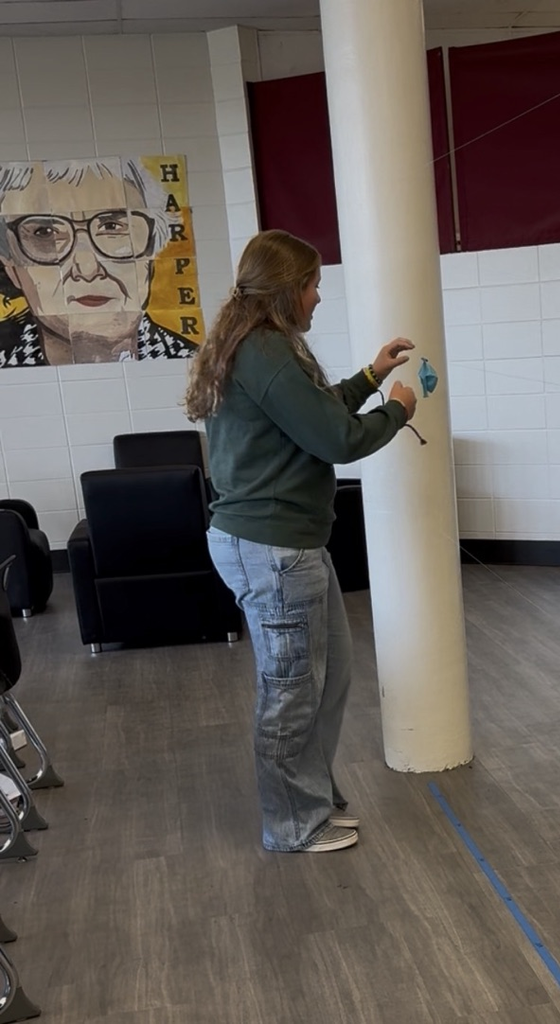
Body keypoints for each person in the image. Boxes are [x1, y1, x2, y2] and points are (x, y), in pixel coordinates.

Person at [184, 229, 417, 853]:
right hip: (272, 551)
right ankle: (291, 823)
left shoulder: (262, 345)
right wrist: (397, 409)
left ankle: (309, 802)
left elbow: (317, 414)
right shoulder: (265, 351)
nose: (319, 296)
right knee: (291, 691)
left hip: (285, 546)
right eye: (313, 285)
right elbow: (338, 440)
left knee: (329, 676)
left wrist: (372, 375)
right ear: (287, 290)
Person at [0, 158, 198, 366]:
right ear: (11, 267)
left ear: (151, 249)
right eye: (46, 233)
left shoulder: (208, 370)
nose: (87, 269)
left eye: (112, 227)